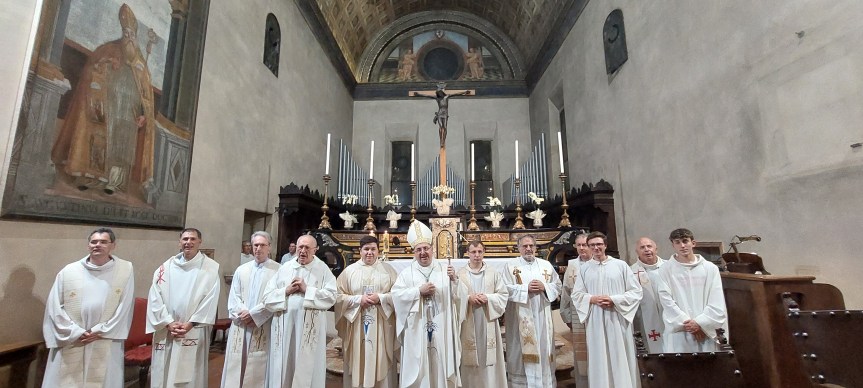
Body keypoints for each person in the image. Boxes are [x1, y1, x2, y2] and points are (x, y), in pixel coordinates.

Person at [50, 3, 156, 199]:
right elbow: (90, 71)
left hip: (128, 115)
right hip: (106, 109)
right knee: (97, 141)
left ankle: (114, 183)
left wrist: (143, 114)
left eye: (132, 34)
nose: (128, 37)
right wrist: (107, 64)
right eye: (126, 33)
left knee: (121, 149)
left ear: (136, 37)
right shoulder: (107, 50)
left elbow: (146, 97)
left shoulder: (141, 65)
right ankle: (89, 179)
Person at [42, 227, 134, 387]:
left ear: (113, 245)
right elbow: (54, 306)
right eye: (94, 242)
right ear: (88, 245)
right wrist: (74, 331)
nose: (97, 245)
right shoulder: (69, 271)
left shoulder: (125, 270)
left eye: (103, 242)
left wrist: (101, 331)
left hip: (105, 337)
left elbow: (125, 305)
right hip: (73, 337)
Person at [391, 220, 467, 388]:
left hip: (442, 325)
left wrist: (455, 280)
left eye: (426, 248)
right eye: (418, 250)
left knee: (440, 362)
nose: (423, 253)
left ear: (432, 249)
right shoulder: (406, 274)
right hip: (416, 329)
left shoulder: (445, 270)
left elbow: (461, 297)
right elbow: (396, 296)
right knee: (420, 368)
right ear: (413, 252)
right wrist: (418, 291)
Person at [147, 228, 220, 388]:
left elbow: (210, 300)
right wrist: (168, 323)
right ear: (179, 242)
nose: (188, 242)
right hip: (168, 330)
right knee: (164, 371)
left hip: (193, 329)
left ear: (200, 242)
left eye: (193, 239)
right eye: (185, 239)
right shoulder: (164, 268)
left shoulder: (210, 268)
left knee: (190, 375)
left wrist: (190, 324)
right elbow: (155, 298)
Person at [263, 234, 337, 387]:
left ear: (315, 250)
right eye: (300, 247)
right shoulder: (285, 268)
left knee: (307, 366)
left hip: (310, 330)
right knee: (285, 363)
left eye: (307, 248)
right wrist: (286, 291)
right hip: (285, 327)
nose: (303, 251)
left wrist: (307, 290)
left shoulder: (322, 269)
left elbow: (331, 297)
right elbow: (267, 297)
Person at [572, 231, 642, 388]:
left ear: (605, 245)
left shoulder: (620, 266)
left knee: (620, 354)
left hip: (617, 317)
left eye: (599, 244)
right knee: (599, 355)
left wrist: (614, 300)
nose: (596, 248)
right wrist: (592, 299)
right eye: (592, 245)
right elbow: (576, 295)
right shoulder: (584, 269)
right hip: (595, 318)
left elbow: (636, 292)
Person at [335, 235, 399, 388]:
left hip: (382, 326)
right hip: (356, 325)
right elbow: (337, 297)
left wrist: (381, 298)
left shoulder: (389, 271)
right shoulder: (349, 272)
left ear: (378, 251)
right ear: (360, 251)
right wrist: (358, 300)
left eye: (373, 249)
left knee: (381, 357)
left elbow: (399, 295)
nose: (369, 252)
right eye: (366, 249)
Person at [221, 231, 281, 387]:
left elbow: (277, 298)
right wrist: (244, 313)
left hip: (263, 324)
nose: (258, 248)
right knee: (237, 365)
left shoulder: (279, 271)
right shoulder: (242, 269)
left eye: (262, 245)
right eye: (256, 245)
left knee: (259, 367)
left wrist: (254, 315)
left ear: (269, 247)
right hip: (241, 324)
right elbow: (234, 297)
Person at [502, 235, 562, 388]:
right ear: (518, 248)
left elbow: (557, 285)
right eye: (524, 246)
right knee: (520, 350)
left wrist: (544, 287)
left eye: (531, 246)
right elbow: (503, 288)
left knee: (543, 346)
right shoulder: (510, 266)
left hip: (542, 314)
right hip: (519, 316)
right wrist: (525, 289)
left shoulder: (546, 265)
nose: (528, 249)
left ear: (536, 247)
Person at [656, 228, 728, 353]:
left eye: (685, 241)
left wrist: (700, 323)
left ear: (693, 243)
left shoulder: (710, 268)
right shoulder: (665, 269)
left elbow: (716, 299)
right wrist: (689, 324)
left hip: (706, 330)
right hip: (680, 330)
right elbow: (666, 300)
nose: (682, 245)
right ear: (673, 245)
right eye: (677, 242)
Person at [457, 240, 508, 387]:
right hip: (468, 320)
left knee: (488, 358)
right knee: (469, 358)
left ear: (484, 252)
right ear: (467, 253)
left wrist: (488, 298)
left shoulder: (493, 273)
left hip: (487, 319)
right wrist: (468, 298)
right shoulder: (460, 274)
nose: (477, 255)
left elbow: (503, 294)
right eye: (473, 252)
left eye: (480, 251)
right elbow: (454, 297)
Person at [558, 232, 591, 385]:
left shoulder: (598, 263)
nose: (582, 248)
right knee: (581, 356)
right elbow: (565, 293)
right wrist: (566, 317)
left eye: (585, 245)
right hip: (577, 316)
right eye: (579, 245)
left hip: (596, 314)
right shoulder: (572, 265)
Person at [629, 237, 666, 353]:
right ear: (637, 252)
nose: (646, 249)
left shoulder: (669, 267)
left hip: (669, 316)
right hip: (645, 319)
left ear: (656, 249)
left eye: (649, 246)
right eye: (642, 247)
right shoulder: (631, 272)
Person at [413, 82, 471, 148]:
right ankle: (441, 141)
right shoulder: (437, 98)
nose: (439, 94)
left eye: (440, 93)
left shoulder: (446, 97)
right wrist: (418, 94)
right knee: (441, 127)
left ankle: (443, 140)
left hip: (445, 114)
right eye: (438, 93)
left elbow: (456, 94)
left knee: (445, 127)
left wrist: (465, 92)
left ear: (442, 93)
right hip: (440, 114)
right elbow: (427, 96)